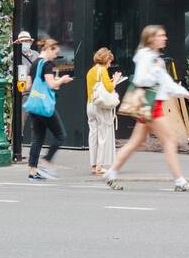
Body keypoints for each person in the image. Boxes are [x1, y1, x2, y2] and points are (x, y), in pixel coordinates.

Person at [105, 24, 189, 191]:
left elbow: (167, 84)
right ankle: (180, 182)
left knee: (135, 142)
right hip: (151, 105)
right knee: (169, 141)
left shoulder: (154, 57)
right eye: (161, 35)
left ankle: (111, 173)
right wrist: (156, 70)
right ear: (151, 38)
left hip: (150, 104)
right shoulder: (147, 57)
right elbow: (140, 80)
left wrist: (188, 95)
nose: (165, 38)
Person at [25, 37, 73, 180]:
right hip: (44, 106)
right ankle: (46, 161)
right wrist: (63, 80)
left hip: (34, 104)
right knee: (60, 135)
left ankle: (32, 170)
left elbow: (27, 86)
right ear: (48, 49)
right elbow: (52, 85)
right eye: (55, 52)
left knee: (38, 138)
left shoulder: (34, 63)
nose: (55, 56)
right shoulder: (47, 64)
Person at [84, 47, 120, 175]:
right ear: (106, 59)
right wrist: (115, 80)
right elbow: (109, 88)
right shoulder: (103, 70)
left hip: (90, 104)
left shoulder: (90, 71)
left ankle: (93, 164)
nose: (110, 63)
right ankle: (100, 165)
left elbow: (96, 87)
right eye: (110, 60)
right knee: (103, 135)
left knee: (93, 135)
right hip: (101, 106)